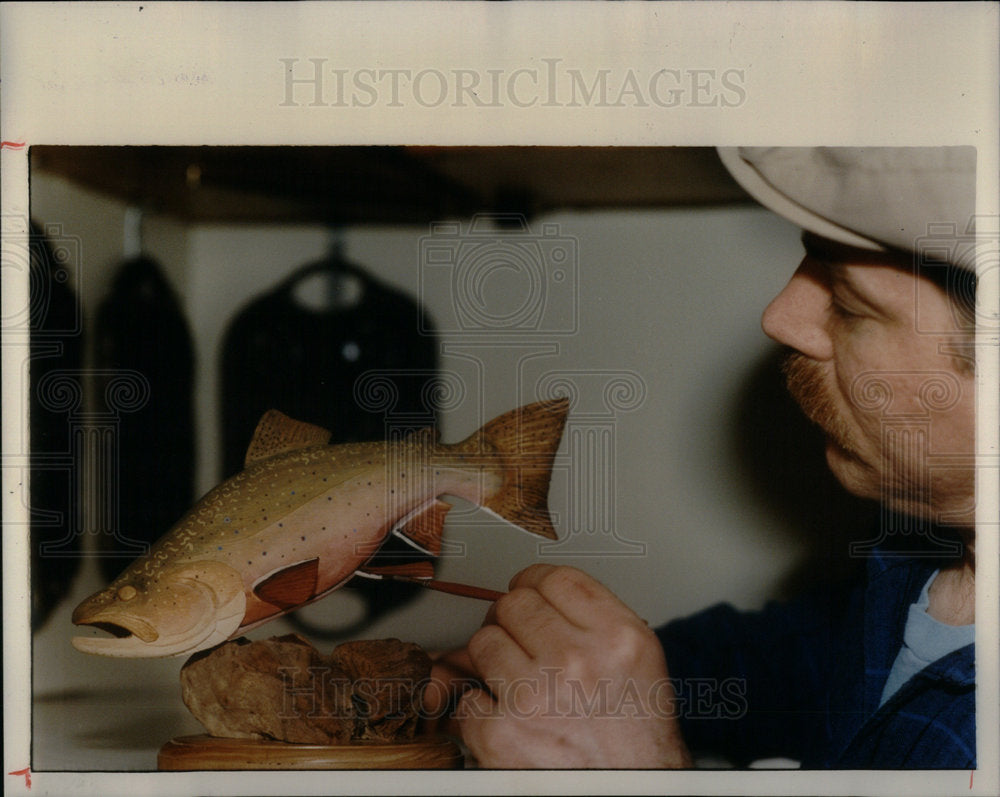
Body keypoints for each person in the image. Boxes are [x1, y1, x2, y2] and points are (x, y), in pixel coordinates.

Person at [425, 147, 979, 769]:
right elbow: (783, 662)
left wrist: (643, 776)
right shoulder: (923, 568)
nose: (780, 318)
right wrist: (580, 678)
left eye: (850, 305)